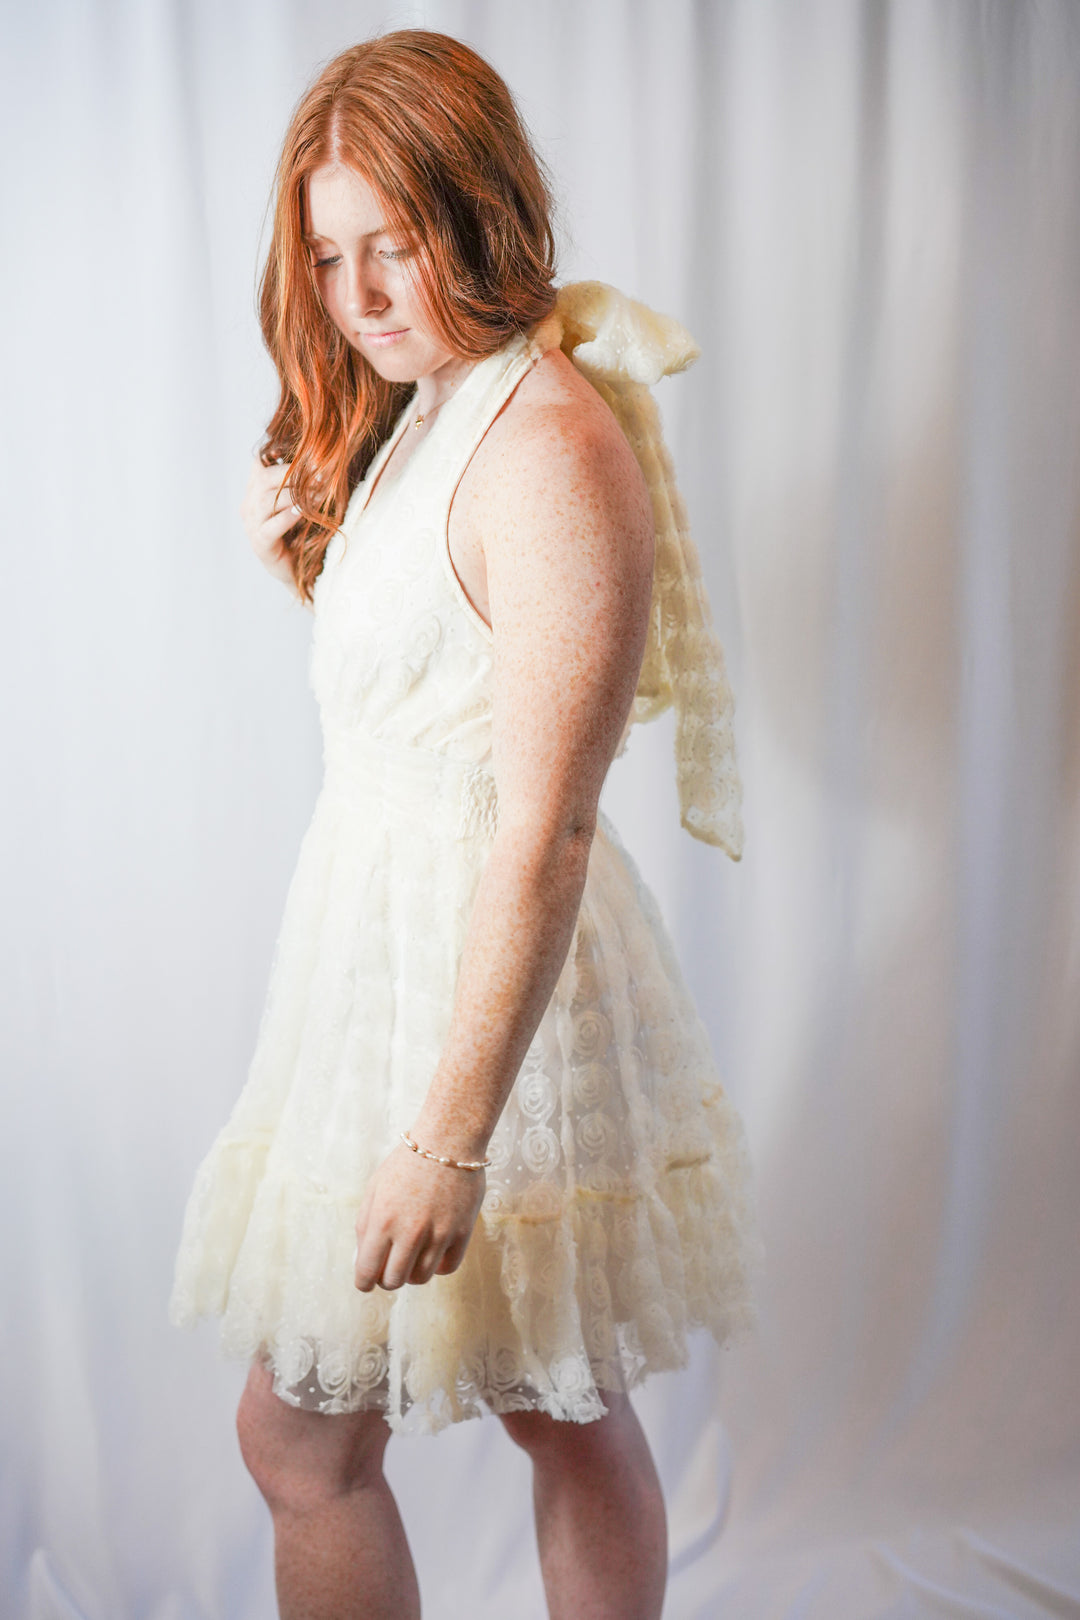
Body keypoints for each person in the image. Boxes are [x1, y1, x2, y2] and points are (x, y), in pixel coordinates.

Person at [169, 27, 762, 1620]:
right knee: (551, 1412)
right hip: (374, 962)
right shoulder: (431, 405)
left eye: (394, 246)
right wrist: (301, 545)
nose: (358, 298)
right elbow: (429, 674)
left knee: (339, 1439)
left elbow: (544, 827)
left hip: (485, 992)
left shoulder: (551, 450)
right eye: (330, 256)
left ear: (482, 214)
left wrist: (448, 1132)